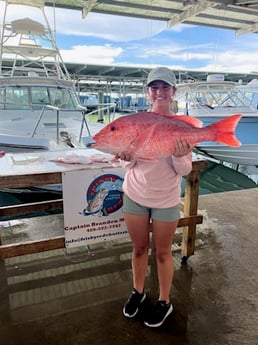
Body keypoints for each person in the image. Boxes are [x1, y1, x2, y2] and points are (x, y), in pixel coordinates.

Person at [117, 66, 194, 328]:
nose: (159, 92)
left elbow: (184, 170)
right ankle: (138, 292)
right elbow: (126, 166)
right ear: (147, 92)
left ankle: (164, 300)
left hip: (165, 199)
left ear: (174, 92)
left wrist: (180, 153)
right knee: (139, 248)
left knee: (163, 253)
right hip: (136, 195)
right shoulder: (136, 122)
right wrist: (126, 157)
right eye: (154, 87)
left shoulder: (180, 125)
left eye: (164, 87)